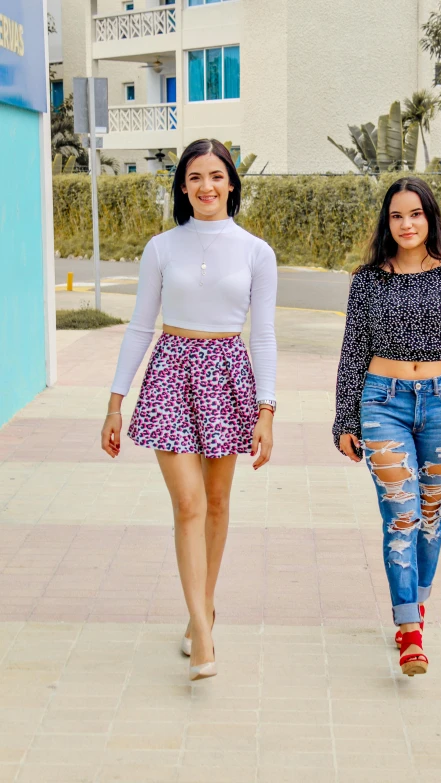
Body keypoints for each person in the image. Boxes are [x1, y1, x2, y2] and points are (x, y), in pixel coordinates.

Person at [101, 139, 277, 681]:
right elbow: (139, 326)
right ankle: (202, 630)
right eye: (195, 177)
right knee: (188, 503)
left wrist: (266, 409)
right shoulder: (161, 247)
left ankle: (203, 604)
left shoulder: (256, 252)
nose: (207, 186)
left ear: (232, 183)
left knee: (218, 502)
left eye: (217, 176)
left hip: (228, 375)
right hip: (172, 372)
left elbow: (264, 334)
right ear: (182, 185)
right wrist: (115, 401)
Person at [333, 177, 441, 677]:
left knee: (431, 512)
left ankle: (417, 602)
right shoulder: (367, 281)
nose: (406, 224)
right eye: (396, 216)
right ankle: (410, 630)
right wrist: (345, 418)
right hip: (381, 402)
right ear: (386, 223)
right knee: (401, 511)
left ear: (431, 218)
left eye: (415, 214)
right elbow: (352, 353)